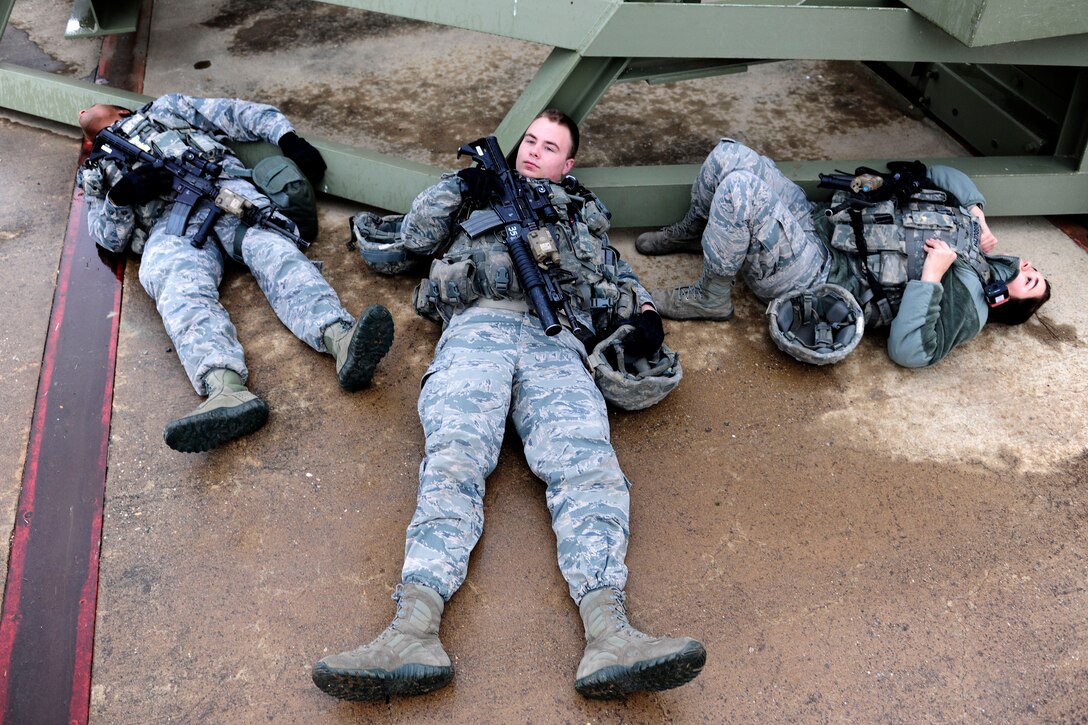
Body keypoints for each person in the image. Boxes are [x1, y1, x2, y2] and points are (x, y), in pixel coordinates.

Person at [311, 110, 704, 701]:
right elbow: (415, 238)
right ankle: (411, 631)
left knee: (588, 466)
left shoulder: (580, 211)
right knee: (454, 461)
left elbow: (616, 273)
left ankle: (611, 635)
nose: (534, 153)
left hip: (557, 340)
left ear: (567, 164)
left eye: (550, 148)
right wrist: (460, 185)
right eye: (530, 142)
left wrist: (645, 318)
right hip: (478, 328)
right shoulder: (471, 195)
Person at [77, 95, 394, 452]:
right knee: (177, 288)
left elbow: (239, 114)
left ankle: (342, 339)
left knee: (274, 252)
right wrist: (120, 198)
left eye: (91, 105)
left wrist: (287, 138)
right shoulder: (95, 169)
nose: (80, 111)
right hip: (168, 226)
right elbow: (107, 238)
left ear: (122, 110)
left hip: (222, 192)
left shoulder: (166, 109)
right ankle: (225, 388)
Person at [637, 138, 1052, 368]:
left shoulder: (972, 302)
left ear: (1008, 303)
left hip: (817, 276)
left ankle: (711, 294)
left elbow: (912, 352)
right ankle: (700, 229)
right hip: (821, 224)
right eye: (1033, 269)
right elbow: (936, 172)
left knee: (741, 190)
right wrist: (978, 213)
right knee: (729, 154)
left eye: (1030, 282)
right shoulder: (975, 239)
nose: (1028, 268)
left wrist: (930, 277)